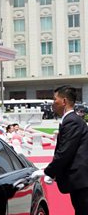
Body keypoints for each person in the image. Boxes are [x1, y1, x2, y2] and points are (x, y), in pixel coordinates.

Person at [32, 85, 88, 215]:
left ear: (64, 102)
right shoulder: (71, 120)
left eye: (54, 99)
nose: (52, 103)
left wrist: (48, 172)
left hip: (82, 181)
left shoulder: (71, 121)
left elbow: (65, 152)